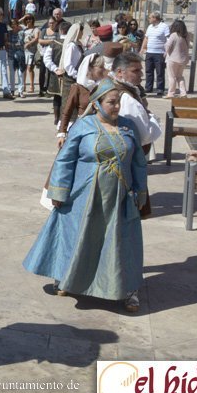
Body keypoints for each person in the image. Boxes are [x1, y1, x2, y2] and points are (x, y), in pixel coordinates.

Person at [23, 79, 147, 313]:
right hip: (84, 196)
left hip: (119, 198)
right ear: (97, 104)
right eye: (111, 102)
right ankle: (65, 277)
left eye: (118, 102)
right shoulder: (83, 126)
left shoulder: (128, 127)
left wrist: (141, 192)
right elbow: (65, 159)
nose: (117, 107)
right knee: (74, 236)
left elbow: (139, 162)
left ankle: (128, 288)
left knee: (121, 242)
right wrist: (59, 191)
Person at [143, 12, 170, 96]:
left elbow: (168, 39)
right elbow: (146, 38)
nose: (149, 19)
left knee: (160, 72)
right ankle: (148, 87)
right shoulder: (149, 27)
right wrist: (143, 48)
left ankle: (160, 89)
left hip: (160, 53)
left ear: (155, 18)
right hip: (149, 52)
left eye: (150, 17)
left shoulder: (164, 26)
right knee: (148, 71)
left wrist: (167, 51)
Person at [164, 19, 190, 98]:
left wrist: (165, 52)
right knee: (180, 76)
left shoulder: (174, 35)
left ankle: (171, 93)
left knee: (172, 77)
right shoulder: (186, 35)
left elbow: (168, 45)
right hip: (183, 59)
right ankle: (183, 93)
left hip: (172, 59)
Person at [21, 15, 40, 96]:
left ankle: (32, 86)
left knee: (30, 68)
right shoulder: (23, 28)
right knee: (24, 68)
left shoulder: (36, 29)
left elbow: (36, 38)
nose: (28, 20)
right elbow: (15, 22)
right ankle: (24, 85)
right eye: (26, 19)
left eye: (30, 19)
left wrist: (29, 43)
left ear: (33, 20)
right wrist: (24, 16)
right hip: (24, 50)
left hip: (32, 51)